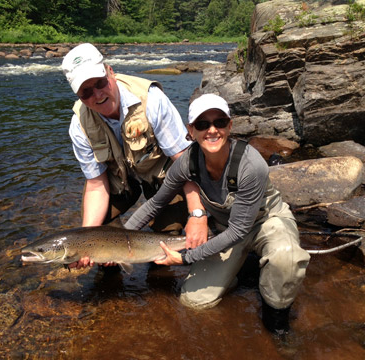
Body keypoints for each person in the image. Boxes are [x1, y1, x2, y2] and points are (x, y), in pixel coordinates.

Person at [124, 93, 311, 336]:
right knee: (194, 301)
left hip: (266, 222)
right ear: (191, 131)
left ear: (230, 126)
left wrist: (186, 259)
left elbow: (240, 230)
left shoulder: (251, 165)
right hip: (225, 230)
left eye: (219, 122)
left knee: (286, 258)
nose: (212, 130)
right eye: (202, 125)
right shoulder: (185, 164)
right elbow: (155, 204)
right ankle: (242, 271)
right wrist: (119, 238)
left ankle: (277, 322)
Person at [61, 43, 207, 268]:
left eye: (100, 83)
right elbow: (96, 185)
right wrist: (86, 243)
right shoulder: (79, 125)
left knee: (167, 234)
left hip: (161, 177)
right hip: (118, 181)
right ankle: (110, 275)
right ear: (78, 95)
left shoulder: (151, 100)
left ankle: (161, 283)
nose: (97, 95)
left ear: (110, 71)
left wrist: (198, 214)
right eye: (86, 92)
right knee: (100, 228)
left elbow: (184, 161)